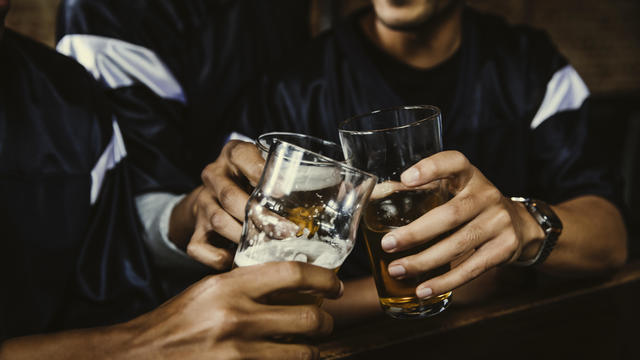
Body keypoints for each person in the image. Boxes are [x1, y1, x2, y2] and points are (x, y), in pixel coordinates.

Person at [59, 0, 628, 323]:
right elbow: (255, 282)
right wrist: (475, 283)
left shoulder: (531, 65)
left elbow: (609, 235)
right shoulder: (286, 87)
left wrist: (525, 227)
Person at [0, 1, 342, 357]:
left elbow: (110, 283)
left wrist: (202, 207)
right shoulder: (98, 34)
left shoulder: (65, 94)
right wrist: (136, 343)